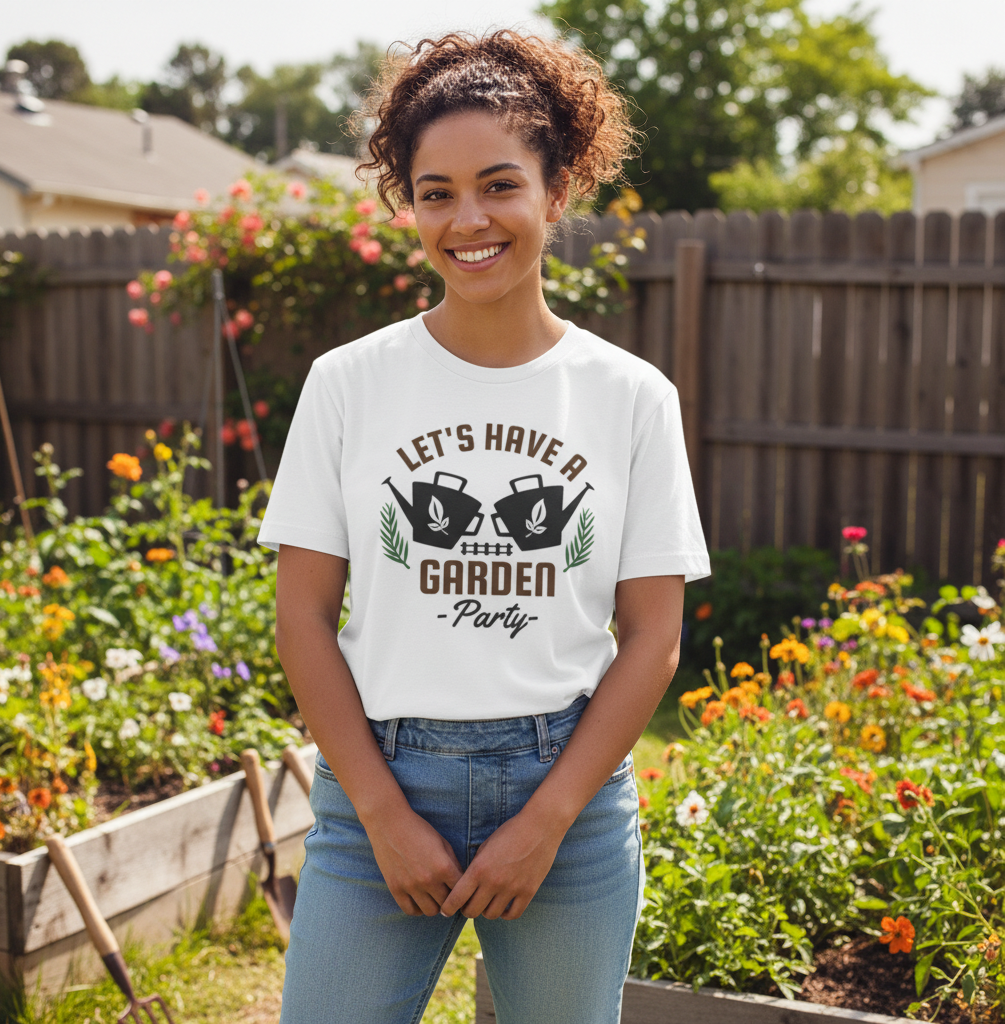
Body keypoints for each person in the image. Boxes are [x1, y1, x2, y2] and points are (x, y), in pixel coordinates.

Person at [258, 28, 710, 1024]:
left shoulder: (630, 396)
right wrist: (381, 810)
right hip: (380, 782)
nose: (468, 218)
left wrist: (546, 821)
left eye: (500, 184)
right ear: (407, 206)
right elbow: (301, 617)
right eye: (435, 192)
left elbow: (653, 636)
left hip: (569, 798)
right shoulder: (347, 384)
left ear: (557, 191)